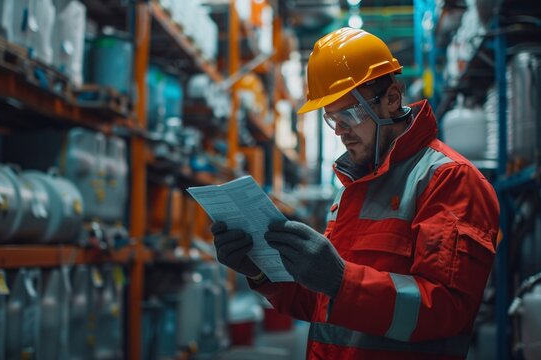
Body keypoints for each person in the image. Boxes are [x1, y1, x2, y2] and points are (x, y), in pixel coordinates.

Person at [211, 27, 500, 360]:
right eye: (331, 118)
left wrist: (341, 282)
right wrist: (258, 270)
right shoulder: (353, 188)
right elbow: (320, 305)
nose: (341, 131)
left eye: (349, 113)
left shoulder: (449, 180)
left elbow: (447, 312)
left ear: (392, 98)